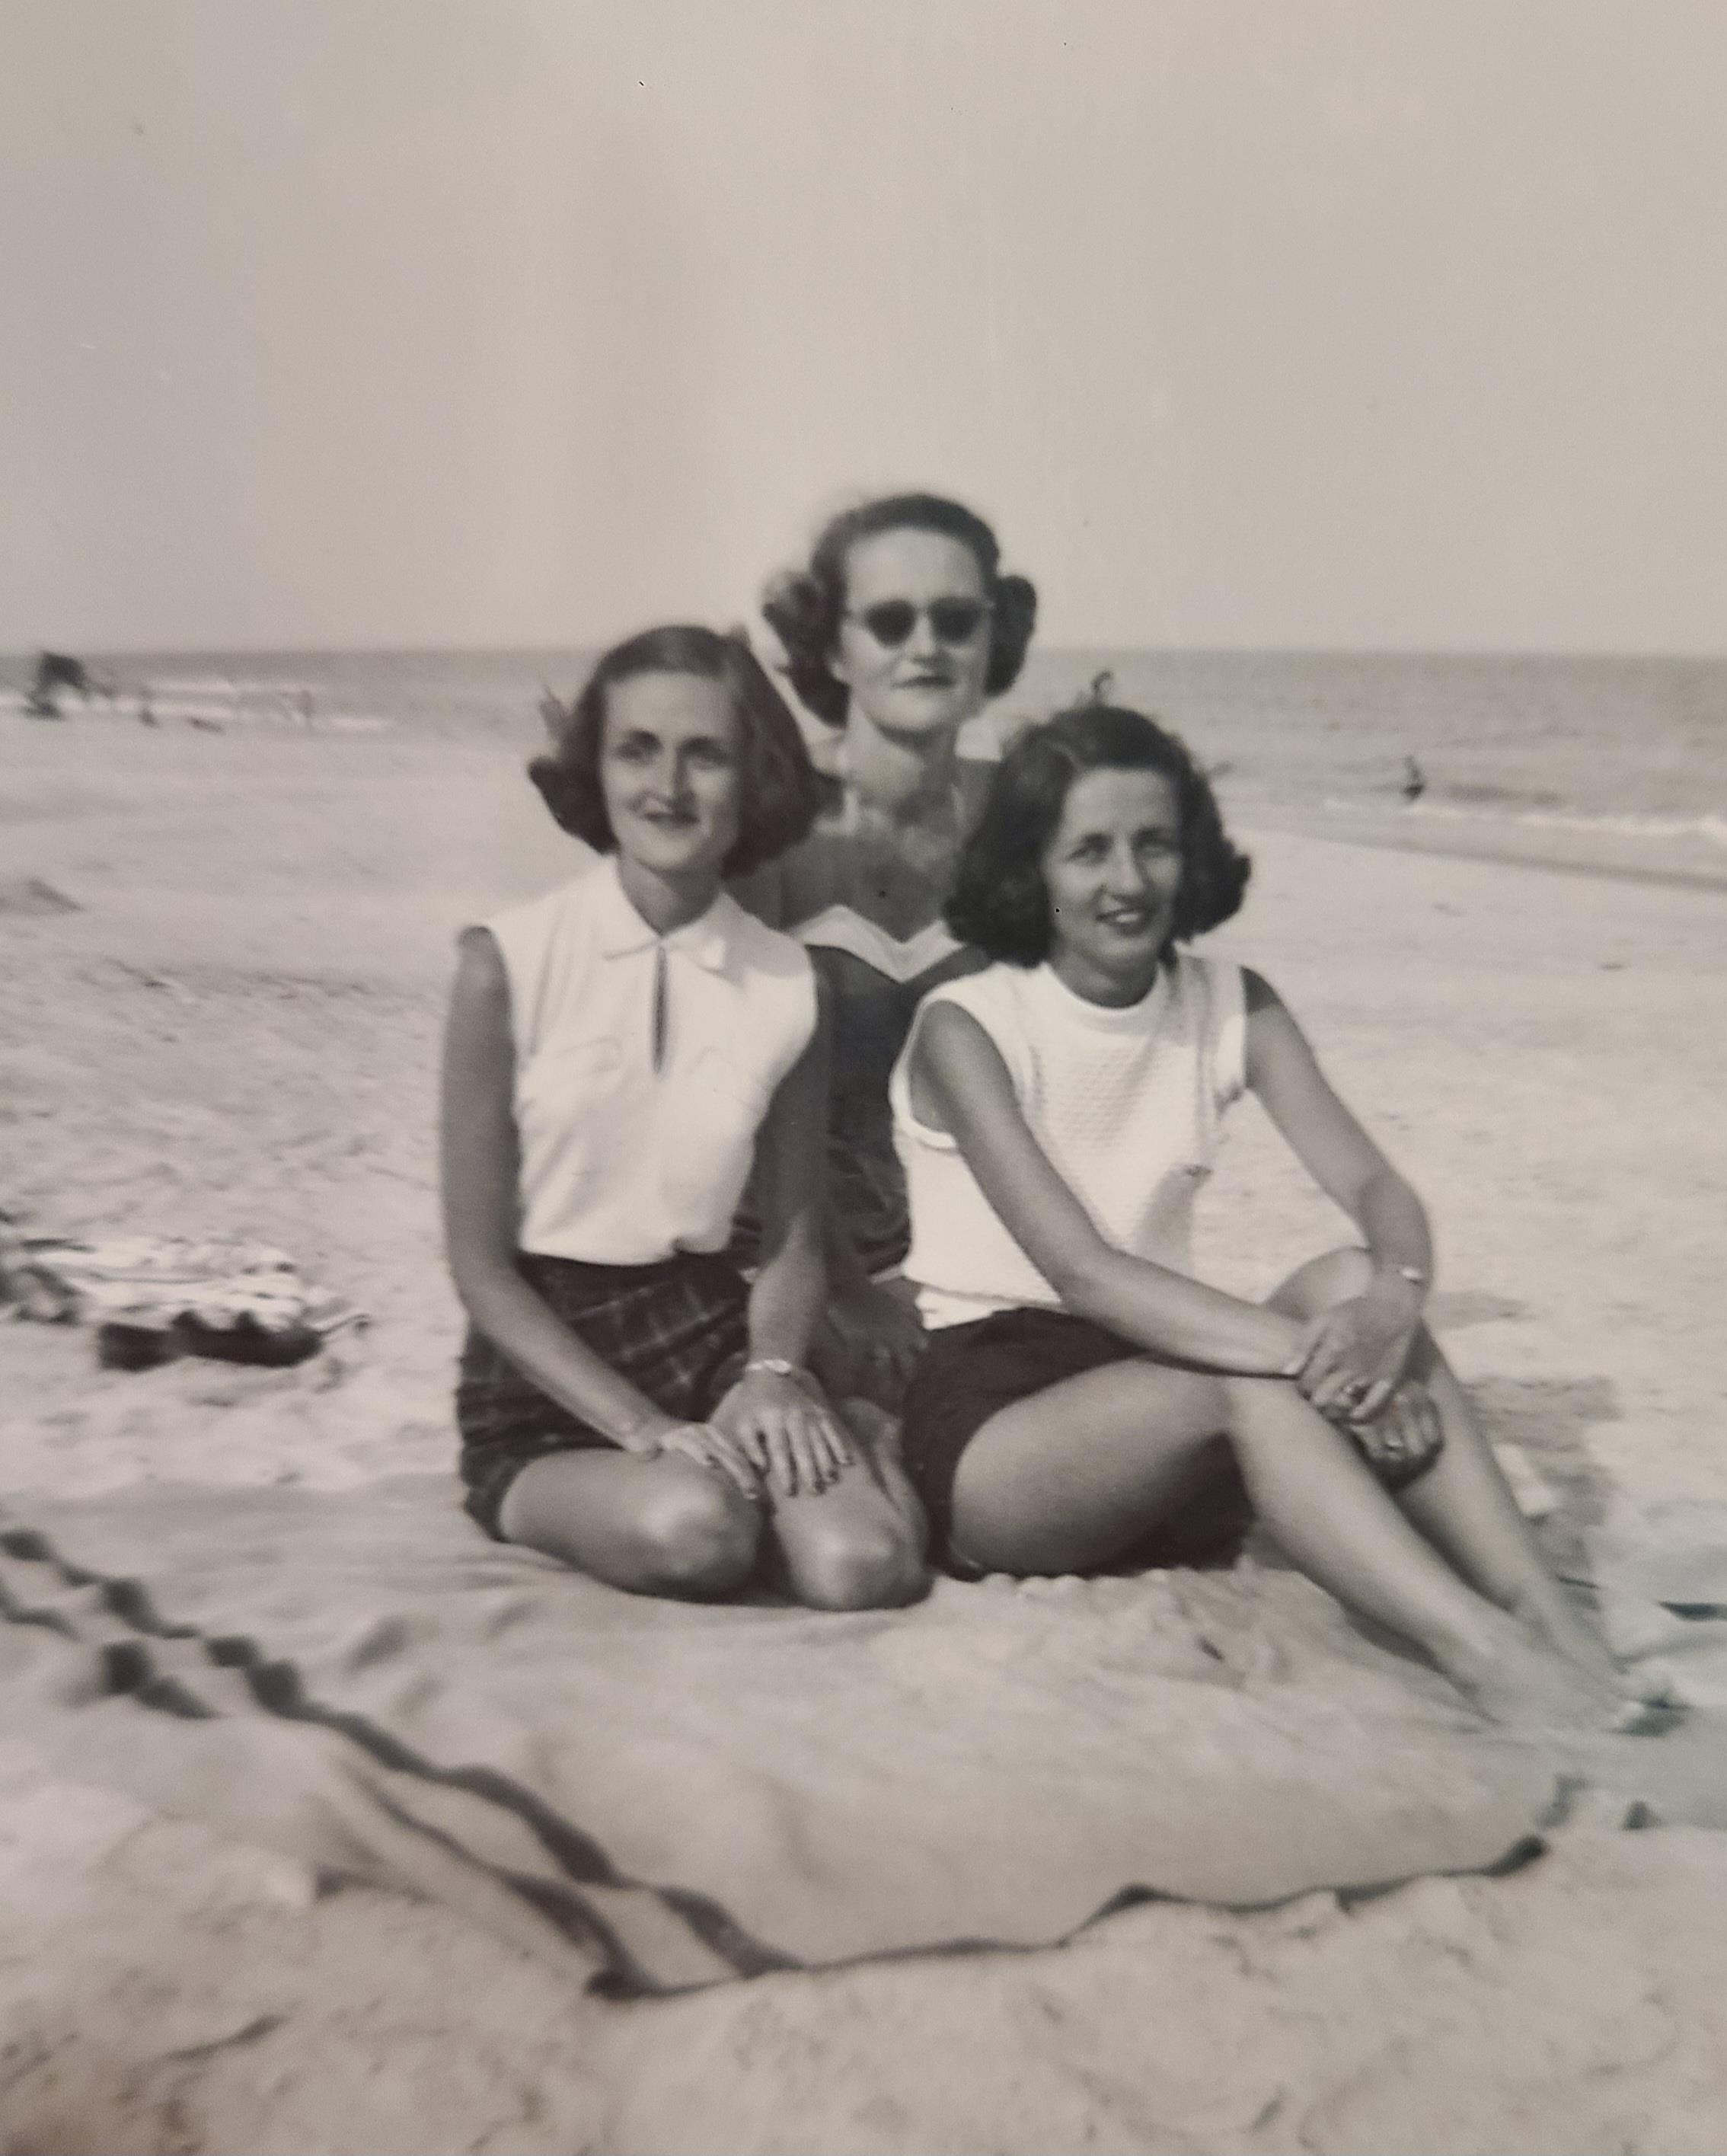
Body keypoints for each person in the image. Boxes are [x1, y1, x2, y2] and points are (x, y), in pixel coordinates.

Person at [890, 700, 1666, 1728]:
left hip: (1167, 1375)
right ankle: (1486, 1656)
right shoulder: (969, 1022)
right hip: (1006, 1440)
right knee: (1254, 1377)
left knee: (1351, 1275)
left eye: (1155, 843)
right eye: (1089, 850)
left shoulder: (1230, 1001)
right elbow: (1084, 1272)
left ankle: (1545, 1615)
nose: (1128, 881)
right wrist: (1326, 1363)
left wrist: (1390, 1302)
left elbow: (1379, 1189)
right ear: (1032, 866)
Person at [442, 624, 926, 1608]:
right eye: (637, 749)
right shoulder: (504, 962)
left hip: (707, 1332)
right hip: (544, 1365)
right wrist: (639, 1427)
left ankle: (861, 1426)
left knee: (858, 1567)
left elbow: (791, 1236)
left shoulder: (787, 981)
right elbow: (480, 1270)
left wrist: (777, 1367)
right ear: (596, 767)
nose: (669, 785)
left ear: (755, 777)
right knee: (698, 1528)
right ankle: (662, 1477)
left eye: (705, 753)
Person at [740, 491, 1039, 1397]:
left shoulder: (1023, 817)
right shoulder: (773, 827)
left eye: (956, 619)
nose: (926, 646)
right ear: (833, 646)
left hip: (967, 1255)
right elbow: (743, 1095)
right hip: (775, 1257)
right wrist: (853, 1290)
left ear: (993, 638)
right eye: (889, 620)